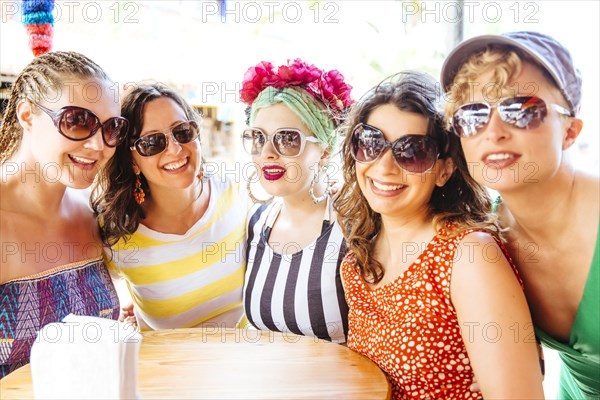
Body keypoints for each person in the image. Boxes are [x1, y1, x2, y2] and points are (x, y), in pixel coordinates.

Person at [334, 71, 544, 398]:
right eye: (371, 143)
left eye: (412, 151)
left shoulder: (469, 257)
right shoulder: (357, 259)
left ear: (444, 170)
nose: (384, 167)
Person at [442, 31, 599, 398]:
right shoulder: (486, 238)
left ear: (570, 131)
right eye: (472, 116)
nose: (493, 132)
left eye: (522, 111)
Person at [0, 51, 128, 377]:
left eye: (111, 128)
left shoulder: (91, 213)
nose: (98, 145)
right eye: (77, 121)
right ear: (27, 115)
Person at [92, 83, 248, 330]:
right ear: (132, 161)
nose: (175, 149)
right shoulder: (115, 232)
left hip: (243, 360)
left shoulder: (235, 192)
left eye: (182, 132)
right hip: (164, 366)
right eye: (152, 142)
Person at [239, 59, 353, 343]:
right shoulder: (256, 223)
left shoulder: (354, 229)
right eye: (258, 138)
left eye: (287, 139)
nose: (267, 152)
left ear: (324, 152)